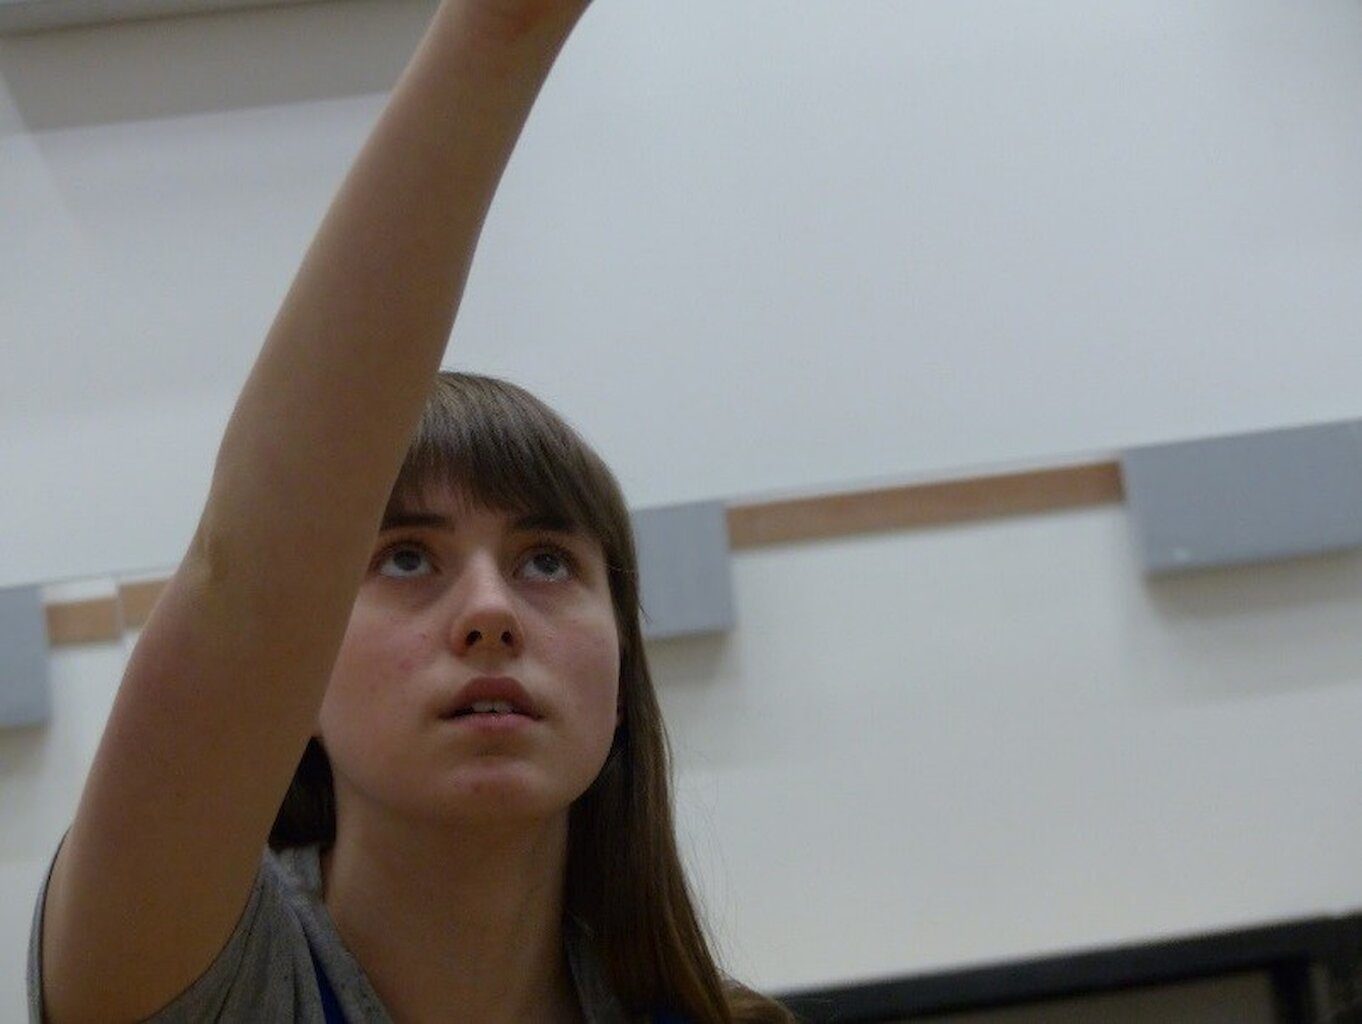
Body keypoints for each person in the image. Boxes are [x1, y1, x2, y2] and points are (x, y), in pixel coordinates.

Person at [26, 1, 795, 1021]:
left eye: (547, 561)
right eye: (405, 558)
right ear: (296, 674)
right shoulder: (208, 984)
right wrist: (498, 31)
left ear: (621, 676)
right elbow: (245, 582)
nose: (491, 613)